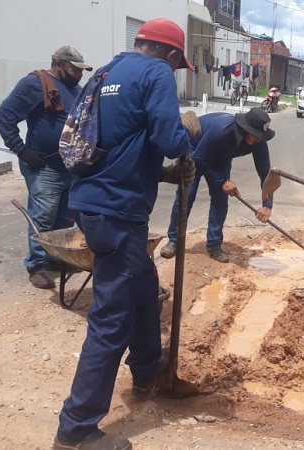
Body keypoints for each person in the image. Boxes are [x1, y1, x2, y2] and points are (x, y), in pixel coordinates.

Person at [53, 18, 196, 450]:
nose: (175, 70)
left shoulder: (105, 72)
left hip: (92, 203)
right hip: (117, 213)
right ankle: (76, 429)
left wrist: (162, 173)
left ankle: (148, 371)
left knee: (145, 289)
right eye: (178, 64)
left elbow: (120, 140)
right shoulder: (156, 72)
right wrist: (188, 136)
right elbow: (171, 139)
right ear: (171, 54)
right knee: (111, 319)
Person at [0, 45, 93, 289]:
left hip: (69, 166)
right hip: (45, 166)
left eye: (81, 71)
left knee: (65, 217)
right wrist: (21, 150)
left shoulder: (75, 90)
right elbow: (4, 115)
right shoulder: (35, 84)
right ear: (58, 65)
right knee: (43, 217)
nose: (79, 74)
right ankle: (37, 265)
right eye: (74, 69)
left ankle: (55, 257)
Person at [160, 108, 276, 263]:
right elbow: (199, 158)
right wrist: (223, 180)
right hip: (196, 149)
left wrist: (267, 204)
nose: (259, 140)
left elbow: (265, 173)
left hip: (221, 157)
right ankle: (174, 240)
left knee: (220, 199)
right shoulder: (222, 131)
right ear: (246, 129)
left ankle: (214, 244)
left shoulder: (258, 141)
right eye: (256, 135)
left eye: (262, 136)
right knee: (186, 196)